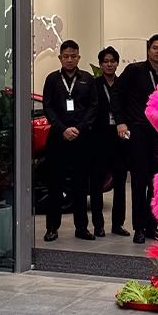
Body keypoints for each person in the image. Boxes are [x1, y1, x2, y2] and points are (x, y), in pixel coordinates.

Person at [111, 34, 158, 244]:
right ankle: (138, 228)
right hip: (137, 131)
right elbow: (116, 94)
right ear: (148, 50)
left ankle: (151, 226)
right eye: (154, 48)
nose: (157, 51)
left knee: (155, 183)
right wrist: (120, 121)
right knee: (138, 182)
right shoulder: (134, 71)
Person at [41, 39, 98, 242]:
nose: (70, 60)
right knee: (55, 184)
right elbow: (48, 107)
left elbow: (93, 106)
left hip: (82, 137)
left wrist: (79, 128)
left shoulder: (87, 79)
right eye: (66, 56)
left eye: (73, 56)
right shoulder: (52, 80)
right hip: (58, 136)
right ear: (60, 58)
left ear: (79, 57)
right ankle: (51, 227)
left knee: (81, 184)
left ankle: (81, 227)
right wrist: (63, 129)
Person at [94, 46, 129, 237]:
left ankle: (118, 224)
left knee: (120, 183)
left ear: (117, 63)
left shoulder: (122, 84)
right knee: (97, 183)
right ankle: (98, 225)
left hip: (119, 139)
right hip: (99, 139)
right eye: (105, 61)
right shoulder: (94, 84)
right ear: (100, 64)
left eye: (112, 61)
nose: (109, 64)